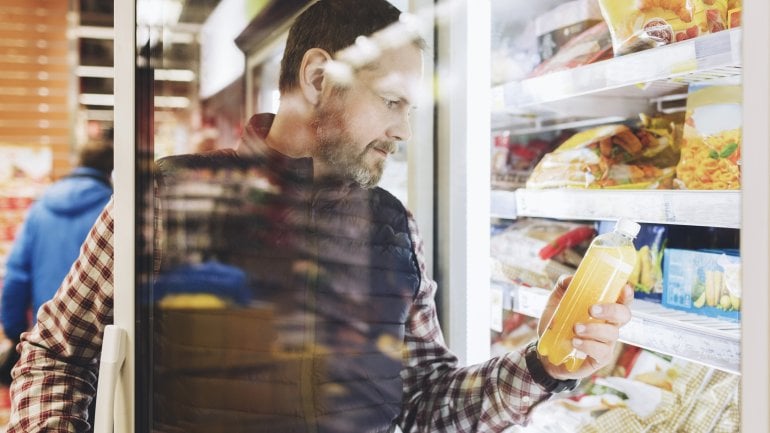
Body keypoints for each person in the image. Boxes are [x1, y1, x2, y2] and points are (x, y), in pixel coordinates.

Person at [6, 1, 633, 432]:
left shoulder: (393, 227)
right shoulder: (163, 200)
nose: (403, 130)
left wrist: (541, 365)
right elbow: (54, 356)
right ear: (317, 76)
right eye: (392, 102)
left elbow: (425, 405)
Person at [0, 139, 113, 384]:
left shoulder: (40, 208)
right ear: (110, 171)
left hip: (47, 335)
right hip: (100, 342)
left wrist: (15, 331)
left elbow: (17, 276)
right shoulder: (112, 211)